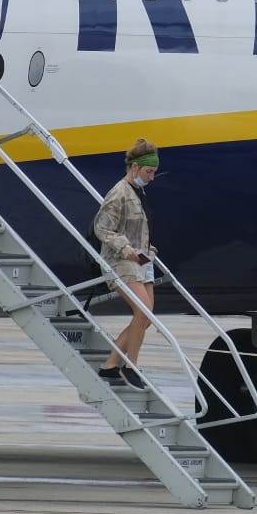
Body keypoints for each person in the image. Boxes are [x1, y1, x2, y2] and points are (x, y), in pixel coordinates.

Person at [91, 139, 161, 383]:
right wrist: (125, 247)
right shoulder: (119, 193)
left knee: (147, 317)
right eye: (148, 172)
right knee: (142, 311)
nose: (151, 177)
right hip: (121, 260)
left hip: (142, 261)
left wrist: (148, 251)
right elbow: (102, 228)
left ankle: (110, 365)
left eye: (153, 172)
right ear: (134, 168)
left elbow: (139, 229)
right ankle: (131, 367)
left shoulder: (137, 192)